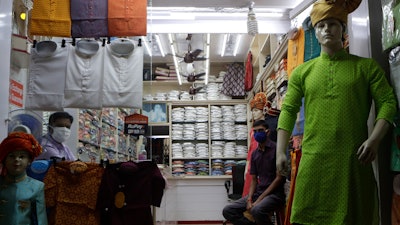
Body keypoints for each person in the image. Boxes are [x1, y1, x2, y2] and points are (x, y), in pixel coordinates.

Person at [275, 1, 398, 224]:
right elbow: (289, 110)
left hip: (352, 161)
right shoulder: (303, 72)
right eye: (321, 26)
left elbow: (388, 102)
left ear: (343, 28)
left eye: (333, 24)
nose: (327, 30)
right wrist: (280, 151)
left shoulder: (366, 67)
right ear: (316, 32)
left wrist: (374, 140)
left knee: (354, 216)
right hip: (314, 160)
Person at [223, 120, 286, 225]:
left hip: (275, 195)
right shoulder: (255, 154)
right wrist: (250, 199)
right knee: (228, 210)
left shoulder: (276, 150)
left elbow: (279, 178)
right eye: (255, 131)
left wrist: (258, 200)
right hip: (258, 193)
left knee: (256, 210)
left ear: (267, 132)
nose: (257, 133)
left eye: (260, 130)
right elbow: (253, 180)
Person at [0, 132, 48, 224]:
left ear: (29, 160)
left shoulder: (37, 187)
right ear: (4, 159)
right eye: (11, 156)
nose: (17, 160)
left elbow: (41, 220)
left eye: (22, 156)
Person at [242, 92, 267, 197]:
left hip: (263, 161)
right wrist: (247, 165)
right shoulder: (252, 130)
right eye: (252, 111)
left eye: (256, 110)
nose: (254, 113)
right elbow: (251, 148)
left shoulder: (267, 128)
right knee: (249, 189)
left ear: (263, 111)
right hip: (252, 160)